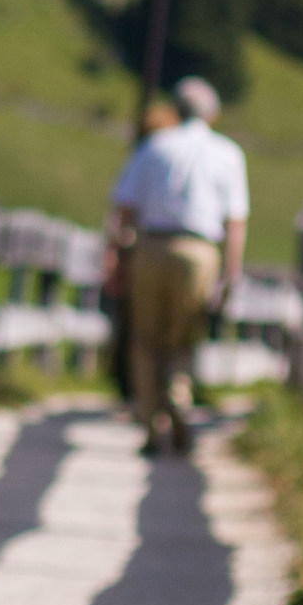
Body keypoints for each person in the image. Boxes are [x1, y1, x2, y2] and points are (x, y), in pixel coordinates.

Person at [106, 77, 249, 456]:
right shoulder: (228, 153)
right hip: (200, 251)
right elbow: (235, 223)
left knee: (145, 338)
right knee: (186, 335)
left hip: (151, 248)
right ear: (212, 113)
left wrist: (116, 259)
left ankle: (153, 421)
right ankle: (181, 402)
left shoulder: (154, 146)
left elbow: (122, 208)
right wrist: (231, 275)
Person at [101, 96, 178, 403]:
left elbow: (120, 212)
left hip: (142, 252)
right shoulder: (175, 157)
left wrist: (113, 255)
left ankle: (138, 396)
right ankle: (170, 391)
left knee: (137, 331)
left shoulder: (143, 156)